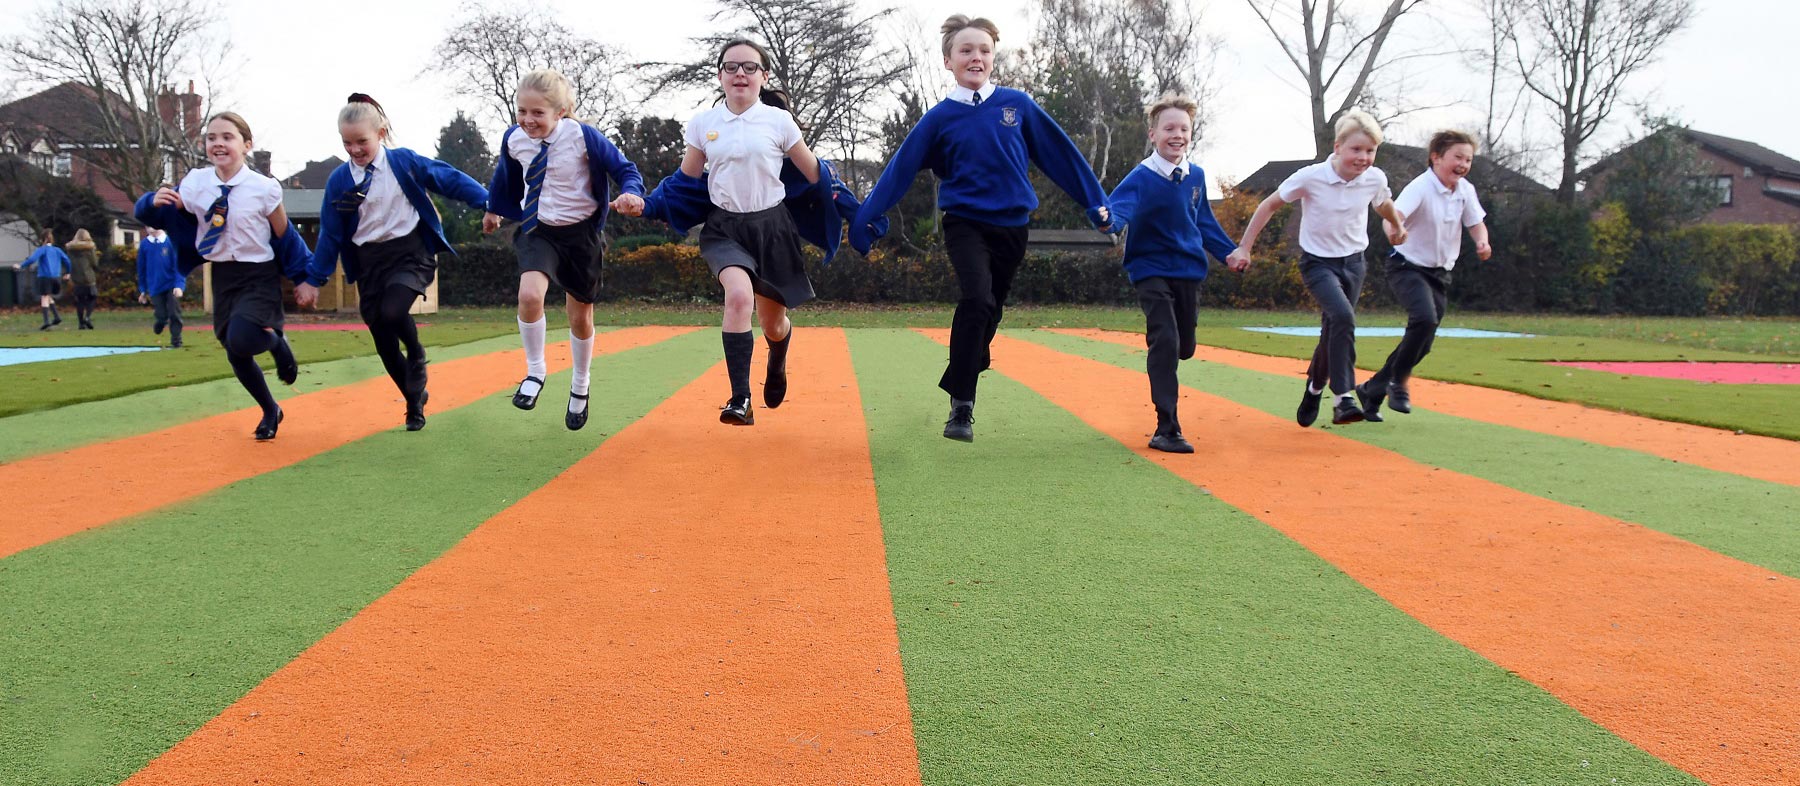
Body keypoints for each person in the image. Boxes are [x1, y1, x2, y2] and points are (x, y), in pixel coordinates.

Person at [850, 14, 1111, 442]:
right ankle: (961, 407)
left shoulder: (1017, 106)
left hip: (1012, 226)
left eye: (984, 50)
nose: (976, 57)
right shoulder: (939, 118)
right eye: (966, 51)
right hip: (965, 222)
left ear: (993, 58)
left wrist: (1095, 202)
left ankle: (968, 360)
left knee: (990, 308)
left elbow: (1060, 156)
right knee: (975, 298)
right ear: (948, 61)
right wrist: (864, 220)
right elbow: (899, 171)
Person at [646, 40, 820, 425]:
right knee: (739, 297)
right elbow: (683, 181)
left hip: (773, 229)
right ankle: (740, 398)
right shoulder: (704, 124)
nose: (740, 73)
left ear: (764, 76)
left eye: (750, 67)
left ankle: (777, 357)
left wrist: (855, 210)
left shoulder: (779, 122)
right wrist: (646, 202)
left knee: (774, 324)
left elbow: (815, 175)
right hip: (724, 228)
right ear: (720, 75)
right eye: (731, 66)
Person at [295, 94, 491, 431]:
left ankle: (416, 353)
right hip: (368, 261)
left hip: (409, 252)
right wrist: (315, 278)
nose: (355, 150)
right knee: (383, 341)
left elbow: (448, 178)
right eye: (347, 143)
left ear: (381, 133)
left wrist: (488, 201)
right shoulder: (340, 181)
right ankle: (415, 403)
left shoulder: (404, 163)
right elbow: (330, 233)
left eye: (362, 141)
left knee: (393, 311)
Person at [482, 69, 644, 431]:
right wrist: (493, 209)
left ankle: (580, 384)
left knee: (580, 317)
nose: (528, 120)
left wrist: (632, 192)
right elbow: (504, 178)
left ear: (562, 111)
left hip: (580, 235)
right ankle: (536, 370)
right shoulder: (514, 139)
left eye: (538, 113)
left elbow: (624, 169)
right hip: (538, 230)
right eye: (521, 111)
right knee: (529, 295)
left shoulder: (583, 137)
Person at [135, 112, 312, 440]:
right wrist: (149, 202)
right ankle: (270, 410)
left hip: (259, 273)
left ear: (246, 145)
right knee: (234, 350)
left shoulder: (264, 189)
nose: (218, 143)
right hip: (223, 275)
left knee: (243, 337)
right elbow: (158, 216)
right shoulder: (195, 184)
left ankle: (277, 342)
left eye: (227, 137)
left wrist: (304, 277)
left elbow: (285, 235)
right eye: (211, 137)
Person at [1236, 109, 1407, 428]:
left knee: (1334, 330)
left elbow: (1381, 202)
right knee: (1343, 318)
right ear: (1338, 146)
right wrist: (1245, 246)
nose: (1364, 158)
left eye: (1370, 151)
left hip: (1354, 263)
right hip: (1317, 264)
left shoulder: (1374, 178)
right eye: (1357, 149)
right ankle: (1343, 397)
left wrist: (1396, 223)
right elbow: (1269, 204)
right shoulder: (1311, 176)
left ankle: (1314, 387)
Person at [1102, 95, 1250, 453]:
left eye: (1184, 128)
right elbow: (1116, 210)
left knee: (1184, 346)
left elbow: (1203, 222)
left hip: (1187, 271)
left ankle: (1173, 353)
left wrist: (1229, 253)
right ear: (1153, 134)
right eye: (1169, 128)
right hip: (1149, 268)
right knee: (1165, 340)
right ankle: (1167, 426)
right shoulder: (1141, 176)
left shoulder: (1195, 176)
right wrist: (1107, 218)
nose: (1177, 134)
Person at [1356, 130, 1492, 421]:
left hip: (1440, 274)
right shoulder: (1421, 187)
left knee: (1424, 342)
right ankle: (1398, 383)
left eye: (1468, 159)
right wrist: (1394, 232)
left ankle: (1372, 389)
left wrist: (1482, 241)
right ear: (1436, 157)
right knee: (1424, 319)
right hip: (1407, 266)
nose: (1464, 164)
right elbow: (1394, 217)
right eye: (1458, 157)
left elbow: (1476, 223)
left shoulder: (1465, 190)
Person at [136, 227, 184, 347]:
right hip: (155, 286)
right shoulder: (144, 245)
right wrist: (143, 290)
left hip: (171, 285)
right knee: (161, 313)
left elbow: (179, 266)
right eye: (148, 225)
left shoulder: (171, 242)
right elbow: (141, 269)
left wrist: (179, 285)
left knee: (174, 312)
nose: (150, 228)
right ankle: (161, 322)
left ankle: (176, 339)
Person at [16, 229, 70, 331]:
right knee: (48, 295)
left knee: (44, 297)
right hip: (56, 277)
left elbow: (32, 259)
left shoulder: (42, 249)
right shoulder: (57, 250)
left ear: (42, 239)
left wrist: (21, 265)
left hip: (45, 277)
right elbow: (67, 260)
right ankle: (57, 317)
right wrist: (68, 272)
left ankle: (46, 322)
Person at [65, 229, 100, 329]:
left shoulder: (70, 249)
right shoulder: (90, 248)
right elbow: (94, 263)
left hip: (76, 278)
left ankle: (81, 323)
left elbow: (68, 262)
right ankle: (87, 317)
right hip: (88, 277)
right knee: (92, 298)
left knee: (80, 301)